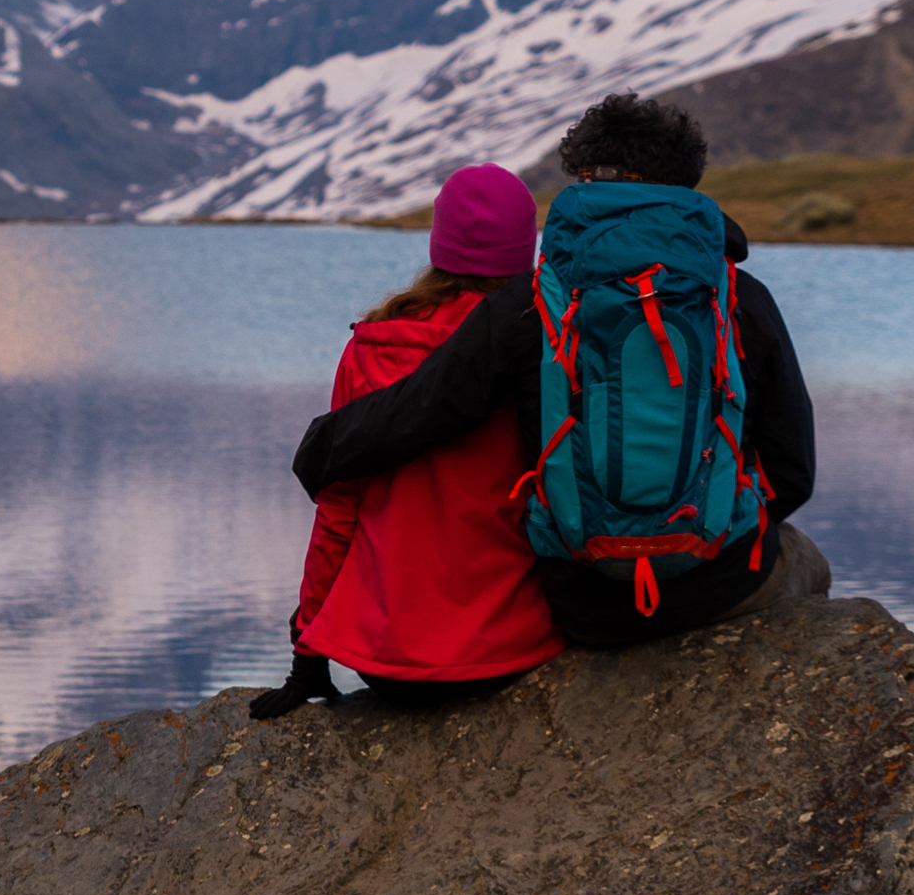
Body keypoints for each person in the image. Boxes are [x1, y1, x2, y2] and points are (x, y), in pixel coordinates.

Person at [288, 91, 821, 650]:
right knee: (807, 561)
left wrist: (322, 448)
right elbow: (792, 474)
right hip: (719, 579)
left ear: (585, 180)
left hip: (584, 600)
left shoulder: (537, 301)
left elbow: (422, 410)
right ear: (683, 186)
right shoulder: (738, 295)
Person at [249, 163, 566, 719]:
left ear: (438, 243)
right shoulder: (545, 342)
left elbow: (339, 509)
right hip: (513, 651)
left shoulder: (371, 347)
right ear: (524, 248)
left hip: (386, 662)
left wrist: (308, 648)